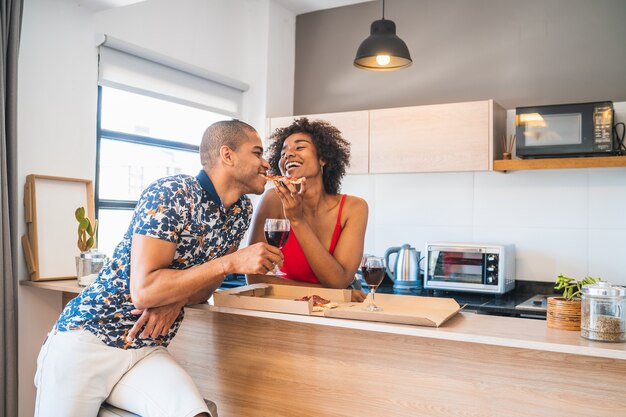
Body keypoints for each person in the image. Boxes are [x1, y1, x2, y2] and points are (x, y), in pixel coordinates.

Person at [34, 120, 282, 417]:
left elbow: (204, 290)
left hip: (145, 349)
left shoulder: (241, 211)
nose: (266, 163)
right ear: (227, 155)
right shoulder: (172, 193)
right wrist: (230, 262)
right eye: (257, 152)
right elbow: (144, 291)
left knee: (196, 414)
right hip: (88, 342)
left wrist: (174, 299)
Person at [246, 117, 368, 300]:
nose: (288, 154)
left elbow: (338, 281)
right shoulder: (273, 200)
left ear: (323, 158)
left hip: (335, 314)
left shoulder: (354, 208)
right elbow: (255, 278)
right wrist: (330, 294)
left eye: (300, 147)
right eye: (283, 152)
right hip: (288, 310)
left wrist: (296, 219)